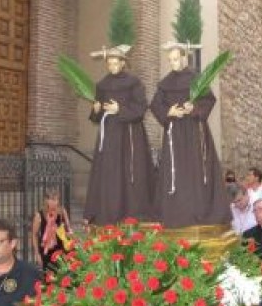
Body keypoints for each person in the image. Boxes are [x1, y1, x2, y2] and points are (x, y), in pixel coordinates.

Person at [150, 43, 231, 228]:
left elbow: (209, 100)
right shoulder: (165, 83)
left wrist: (193, 108)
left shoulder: (197, 79)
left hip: (195, 131)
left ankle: (198, 211)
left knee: (195, 171)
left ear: (185, 58)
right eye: (170, 60)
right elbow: (155, 105)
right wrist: (169, 112)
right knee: (175, 172)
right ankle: (175, 213)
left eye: (176, 59)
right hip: (174, 133)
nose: (173, 63)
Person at [85, 46, 156, 226]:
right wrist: (95, 110)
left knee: (129, 174)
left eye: (116, 63)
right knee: (109, 174)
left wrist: (120, 109)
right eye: (109, 63)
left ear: (123, 63)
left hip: (129, 136)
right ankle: (107, 215)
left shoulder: (134, 83)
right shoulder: (102, 85)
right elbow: (97, 116)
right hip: (108, 136)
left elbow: (141, 108)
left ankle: (130, 215)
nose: (112, 67)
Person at [31, 189, 72, 270]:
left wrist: (69, 233)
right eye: (51, 199)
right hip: (46, 250)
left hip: (61, 249)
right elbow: (34, 235)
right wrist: (37, 254)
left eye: (56, 199)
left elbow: (68, 229)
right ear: (46, 200)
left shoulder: (62, 212)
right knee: (48, 276)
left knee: (62, 274)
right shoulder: (39, 215)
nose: (54, 202)